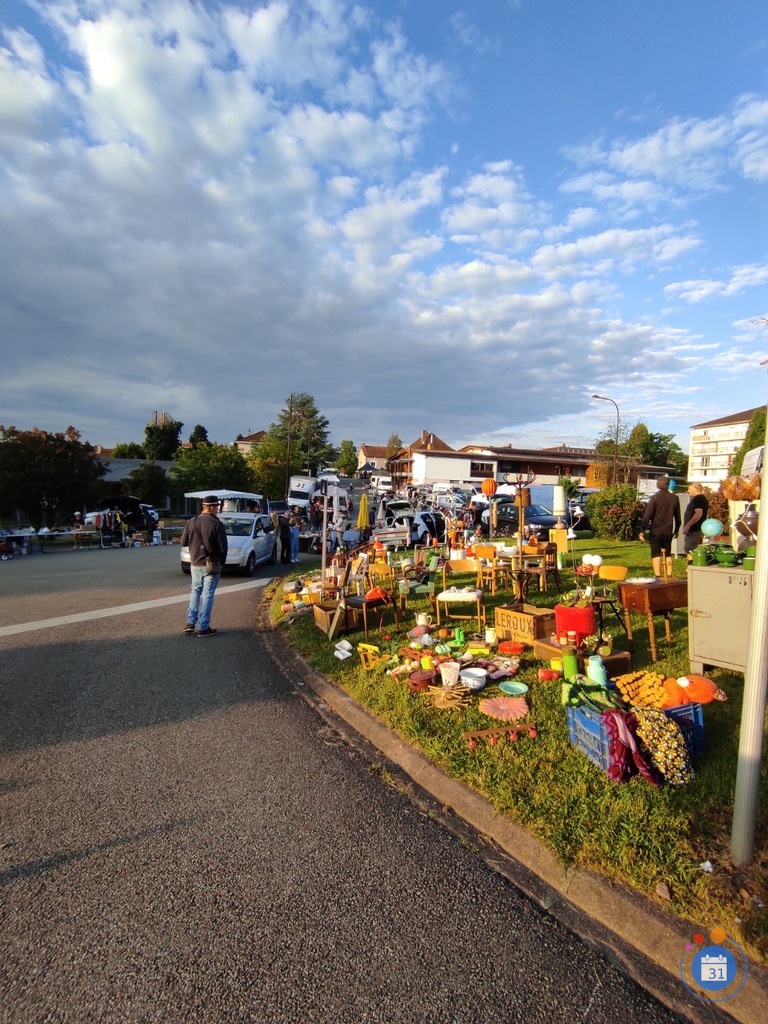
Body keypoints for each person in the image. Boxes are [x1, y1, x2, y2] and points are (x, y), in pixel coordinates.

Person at [180, 495, 228, 637]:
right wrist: (221, 562)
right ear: (212, 507)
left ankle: (190, 622)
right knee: (208, 595)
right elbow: (223, 547)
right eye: (217, 507)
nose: (217, 509)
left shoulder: (191, 522)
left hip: (195, 562)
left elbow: (184, 542)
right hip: (211, 563)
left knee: (195, 591)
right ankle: (203, 626)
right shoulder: (216, 523)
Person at [639, 476, 681, 579]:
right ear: (668, 485)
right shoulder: (674, 498)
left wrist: (642, 531)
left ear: (657, 485)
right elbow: (678, 517)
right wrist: (676, 530)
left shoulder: (654, 498)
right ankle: (669, 575)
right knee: (668, 553)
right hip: (668, 531)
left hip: (656, 531)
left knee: (655, 554)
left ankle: (657, 576)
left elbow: (647, 515)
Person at [682, 482, 709, 562]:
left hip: (694, 530)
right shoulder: (702, 499)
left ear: (696, 489)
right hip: (698, 530)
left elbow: (698, 513)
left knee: (690, 550)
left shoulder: (698, 499)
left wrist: (688, 525)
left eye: (690, 489)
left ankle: (691, 566)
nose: (688, 491)